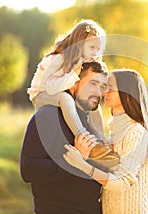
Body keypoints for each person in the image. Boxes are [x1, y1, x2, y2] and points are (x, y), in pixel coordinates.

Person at [64, 69, 148, 214]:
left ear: (128, 95)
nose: (104, 93)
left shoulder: (136, 132)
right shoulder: (116, 131)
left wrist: (82, 165)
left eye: (110, 89)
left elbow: (121, 182)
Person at [20, 60, 109, 214]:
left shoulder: (90, 123)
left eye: (102, 87)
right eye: (93, 84)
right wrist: (74, 160)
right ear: (74, 83)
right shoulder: (48, 116)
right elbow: (28, 170)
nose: (98, 92)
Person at [27, 19, 106, 140]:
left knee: (92, 100)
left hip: (57, 90)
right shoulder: (60, 59)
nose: (95, 53)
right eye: (92, 47)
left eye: (98, 49)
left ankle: (101, 139)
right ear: (80, 44)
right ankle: (81, 135)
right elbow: (51, 88)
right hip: (41, 95)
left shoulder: (81, 60)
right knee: (65, 98)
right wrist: (73, 76)